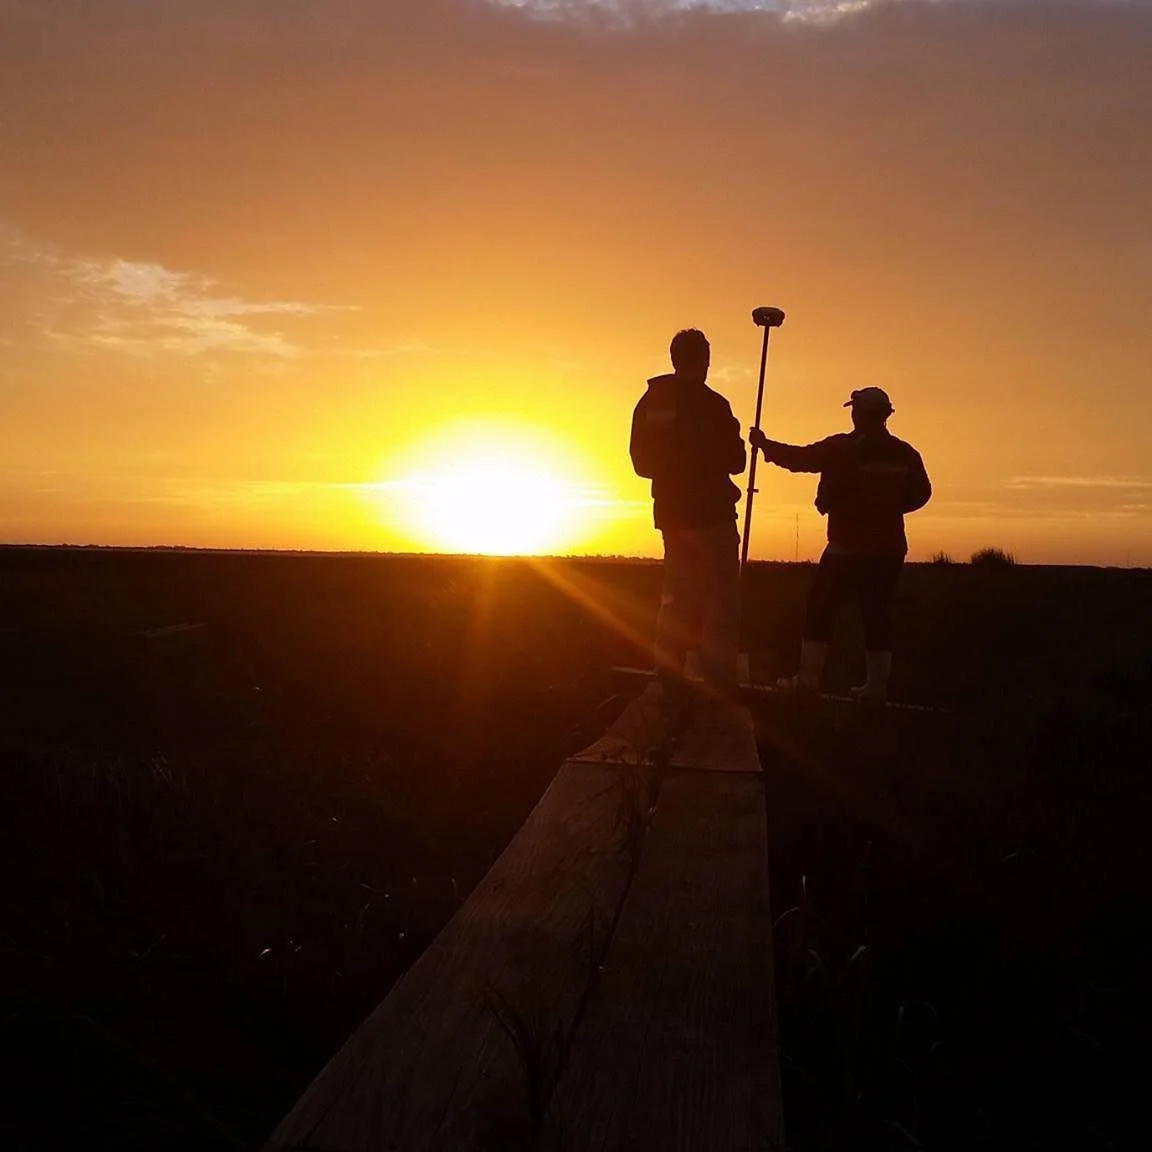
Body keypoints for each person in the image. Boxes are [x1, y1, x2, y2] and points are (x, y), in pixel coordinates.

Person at [749, 386, 931, 701]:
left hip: (846, 547)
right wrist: (891, 508)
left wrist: (765, 445)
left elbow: (800, 458)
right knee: (877, 613)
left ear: (859, 414)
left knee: (820, 607)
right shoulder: (905, 453)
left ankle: (808, 681)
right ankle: (876, 687)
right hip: (889, 548)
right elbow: (922, 493)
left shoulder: (842, 449)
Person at [630, 328, 747, 705]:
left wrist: (673, 471)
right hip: (712, 515)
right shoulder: (716, 405)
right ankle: (717, 678)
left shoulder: (650, 402)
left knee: (676, 596)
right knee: (720, 598)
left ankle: (668, 672)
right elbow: (737, 462)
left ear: (674, 357)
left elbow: (640, 464)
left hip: (673, 517)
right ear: (706, 361)